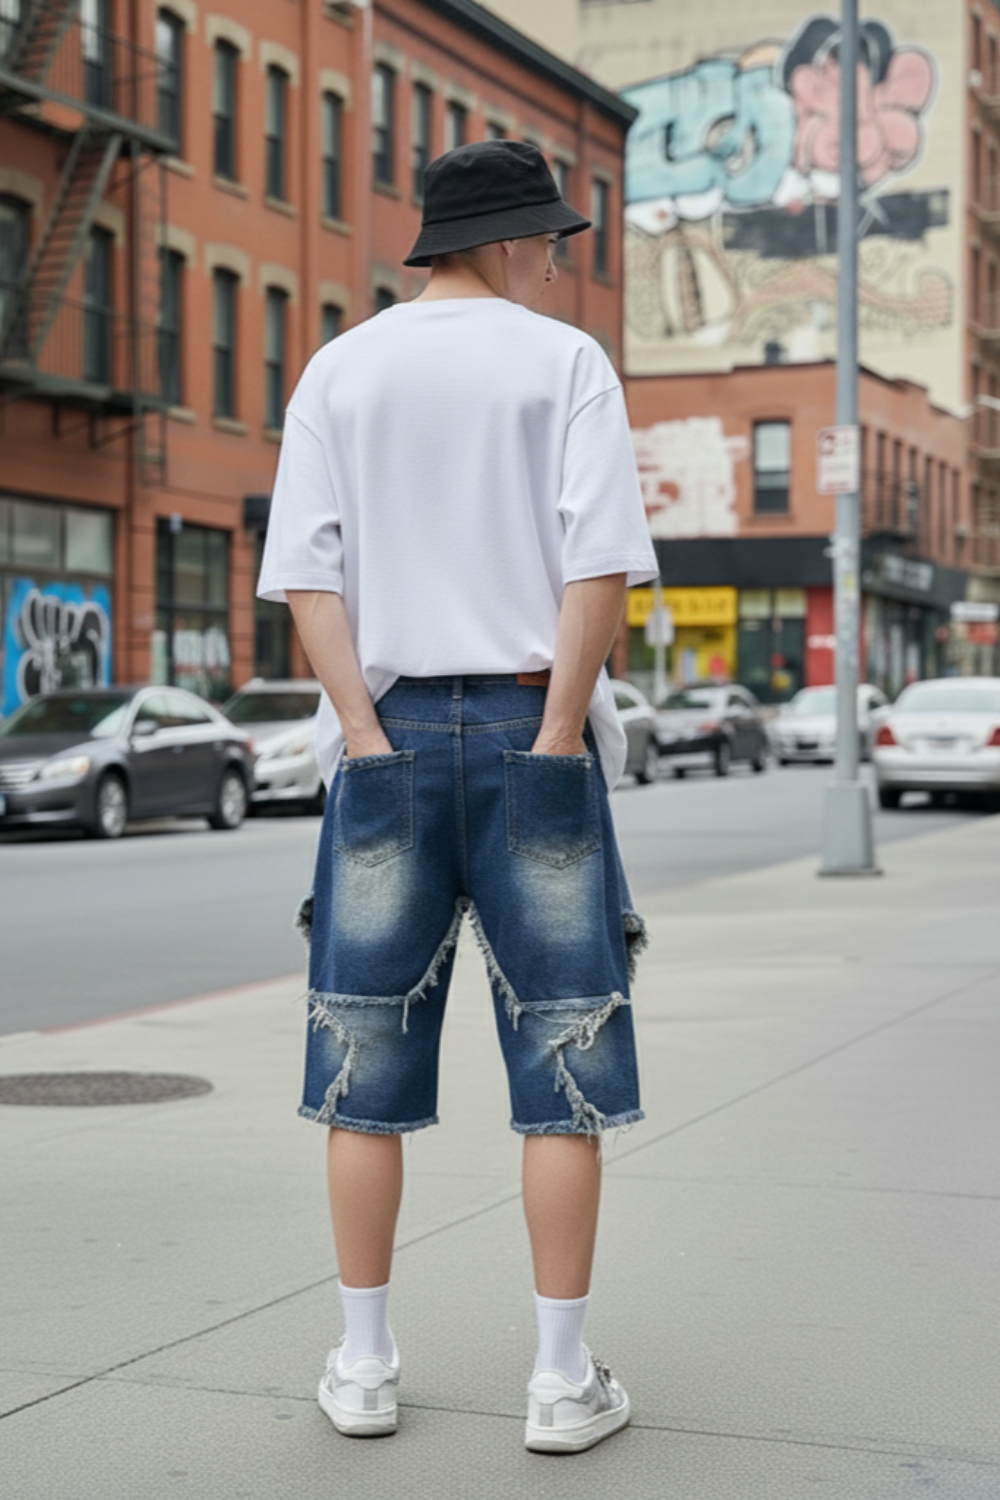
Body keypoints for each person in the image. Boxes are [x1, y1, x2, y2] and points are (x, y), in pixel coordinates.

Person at [257, 140, 658, 1454]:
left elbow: (310, 582)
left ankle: (366, 1364)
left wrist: (364, 734)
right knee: (565, 1055)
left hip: (391, 735)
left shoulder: (339, 369)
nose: (556, 262)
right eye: (550, 241)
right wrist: (558, 731)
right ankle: (559, 1380)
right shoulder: (566, 364)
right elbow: (599, 568)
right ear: (506, 240)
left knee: (361, 1058)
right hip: (536, 722)